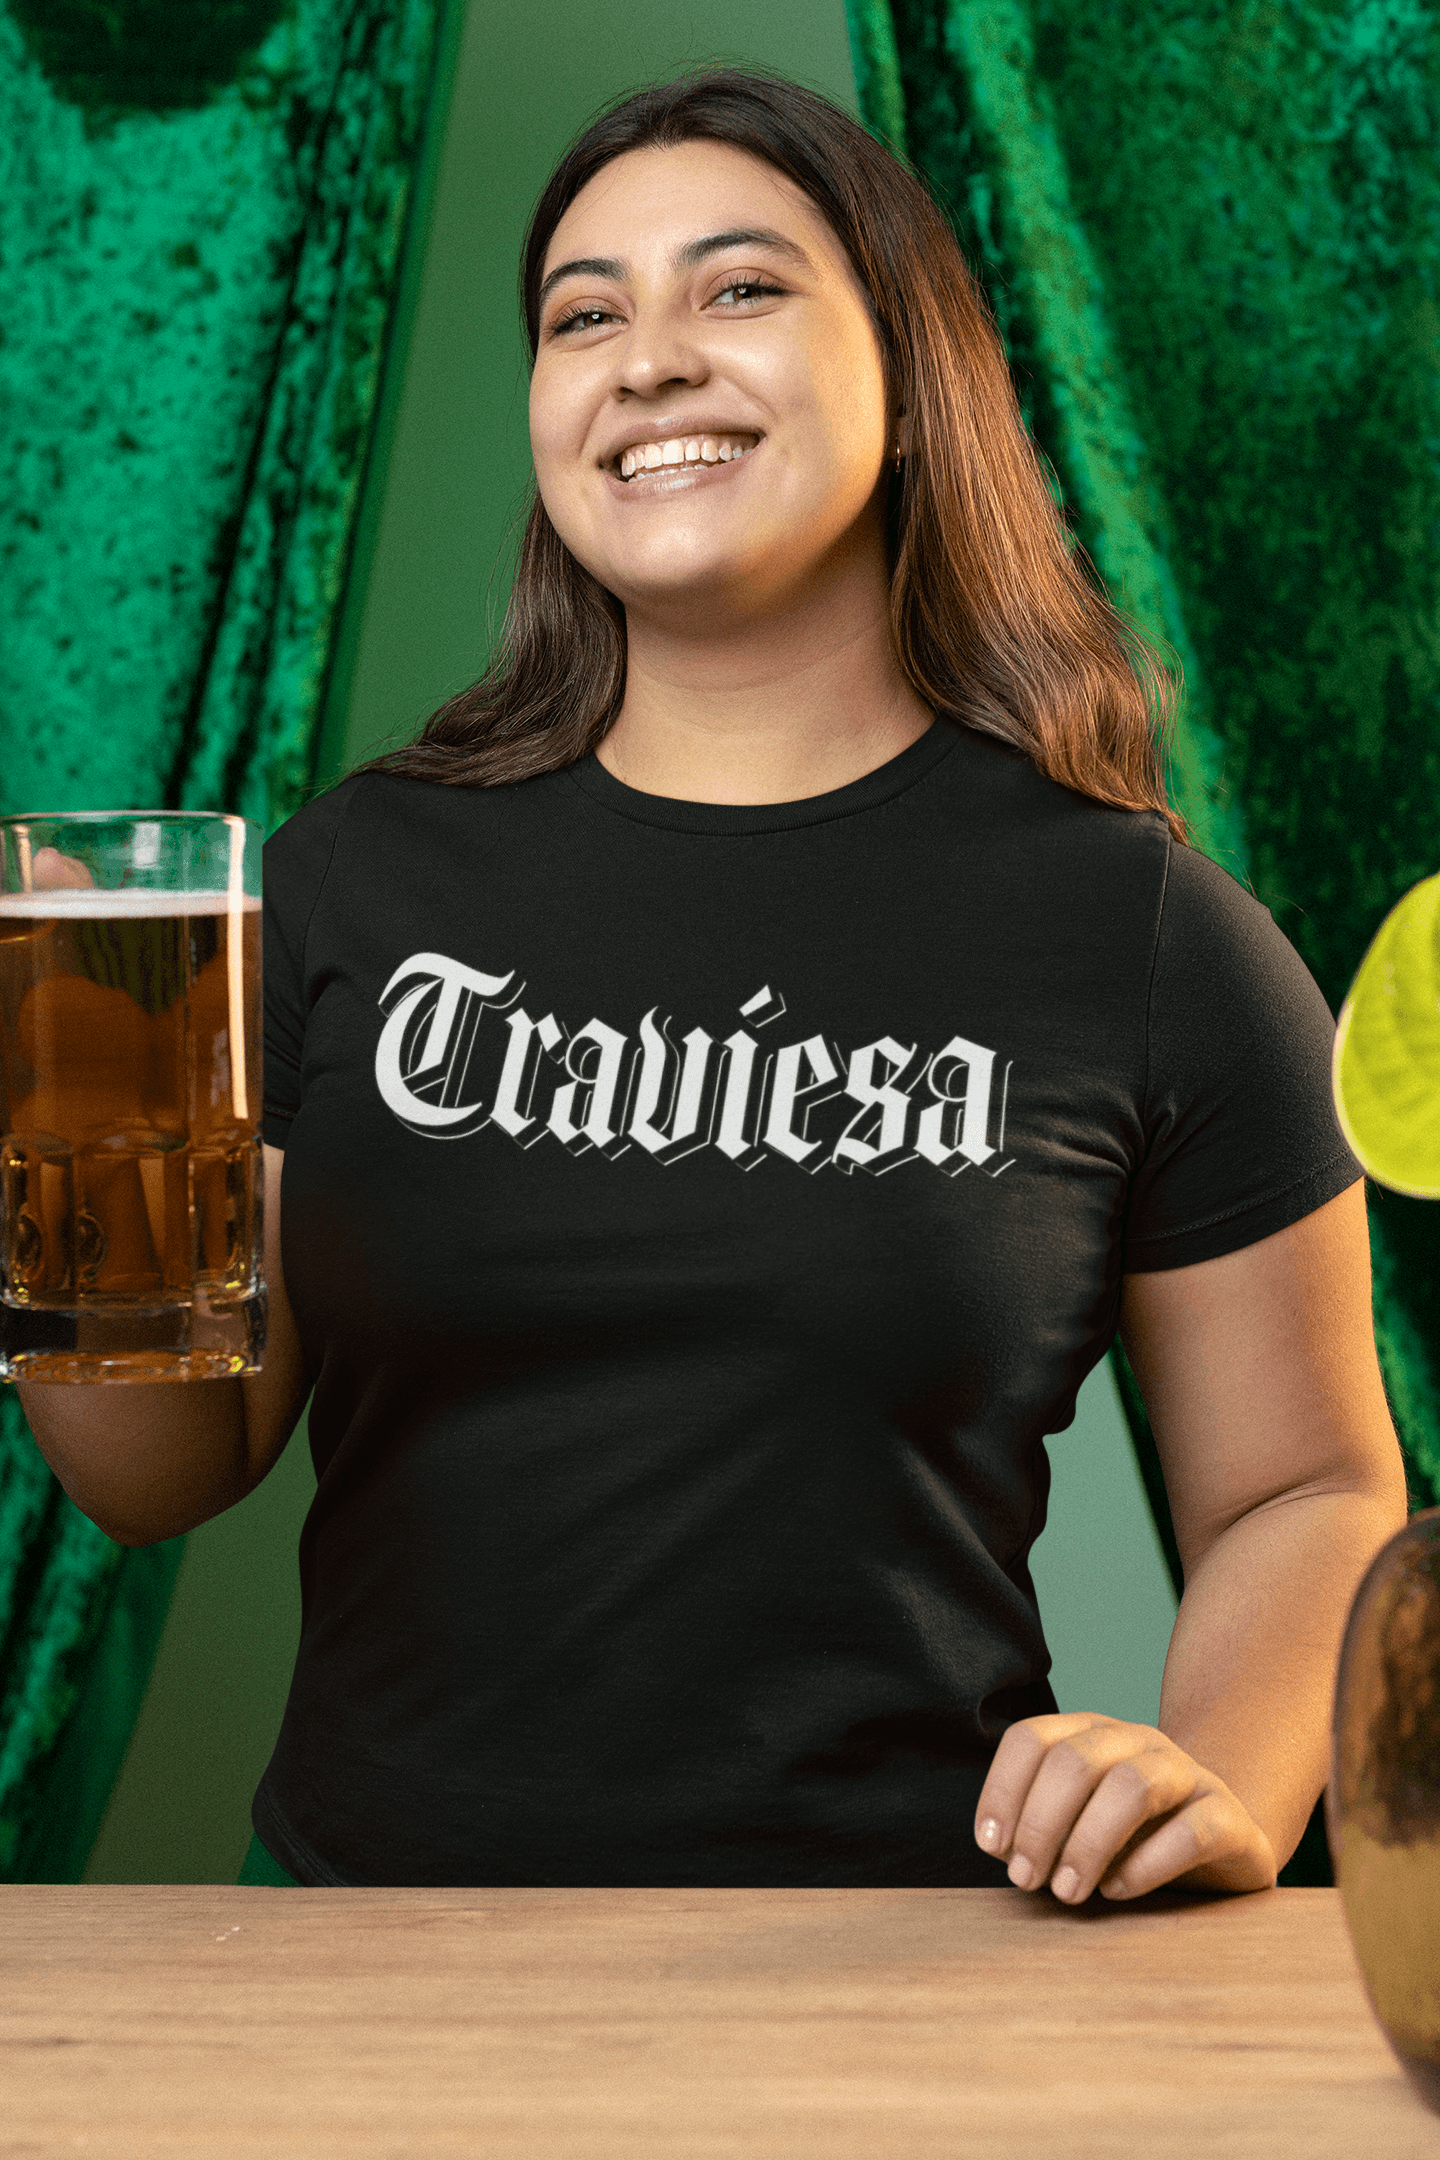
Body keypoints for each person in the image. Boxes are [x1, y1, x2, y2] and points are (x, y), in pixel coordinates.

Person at [21, 69, 1407, 1897]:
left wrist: (1215, 1782)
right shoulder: (353, 879)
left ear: (912, 385)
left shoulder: (1143, 933)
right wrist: (66, 1133)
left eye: (737, 289)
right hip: (362, 1964)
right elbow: (161, 1467)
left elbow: (1309, 1492)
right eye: (583, 314)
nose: (647, 357)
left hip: (907, 1958)